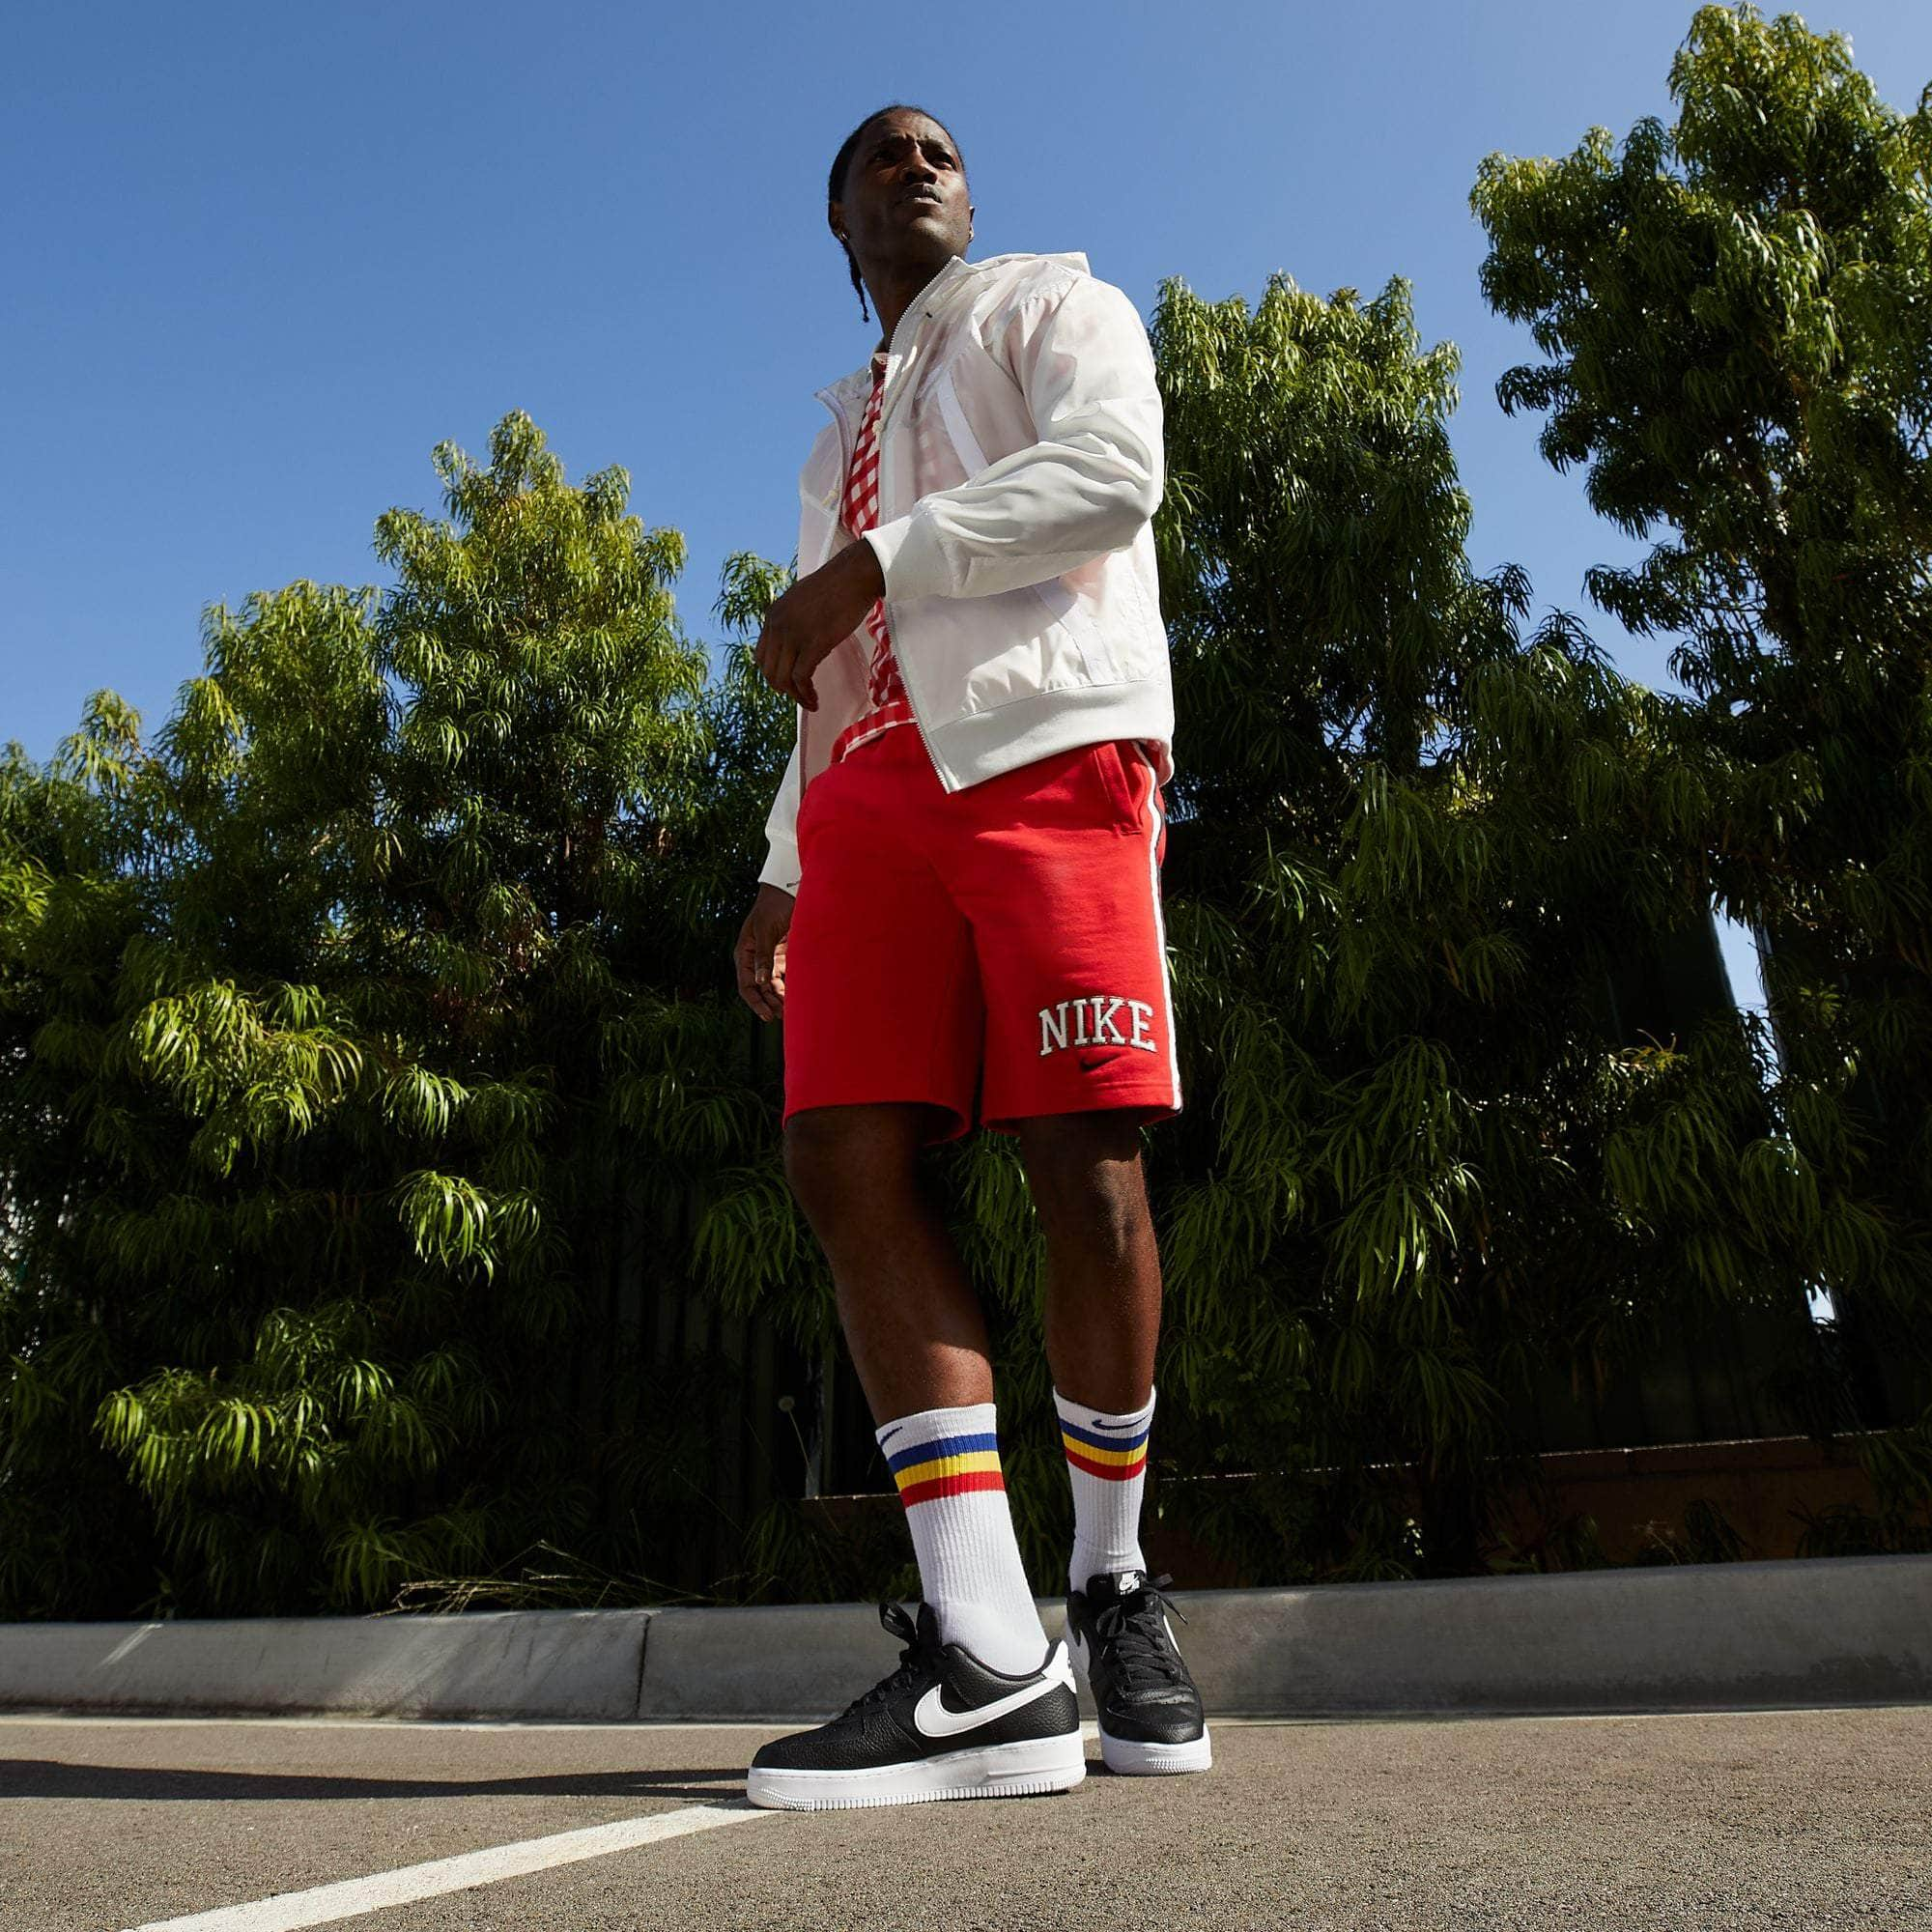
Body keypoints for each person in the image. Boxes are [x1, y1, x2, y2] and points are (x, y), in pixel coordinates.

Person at [732, 103, 1209, 1812]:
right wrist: (783, 870)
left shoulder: (1052, 310)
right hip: (865, 808)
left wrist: (877, 561)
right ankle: (991, 1651)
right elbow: (824, 676)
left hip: (1049, 758)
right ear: (839, 222)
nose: (914, 162)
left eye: (937, 148)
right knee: (841, 1150)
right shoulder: (834, 436)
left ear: (970, 196)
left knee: (1083, 1164)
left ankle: (1111, 1586)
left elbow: (1110, 480)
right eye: (876, 155)